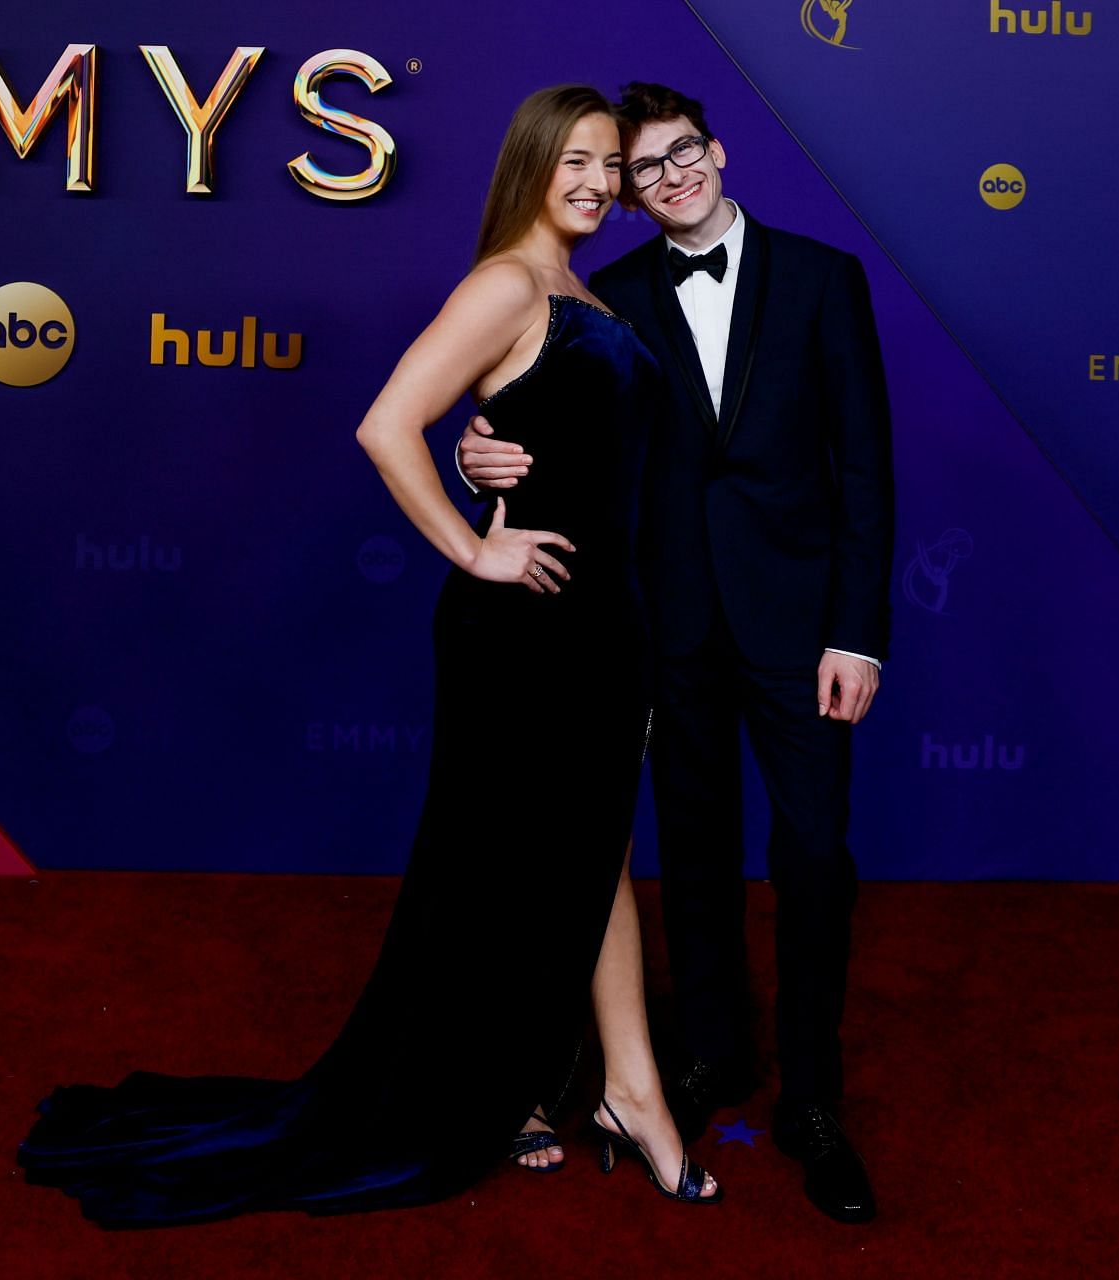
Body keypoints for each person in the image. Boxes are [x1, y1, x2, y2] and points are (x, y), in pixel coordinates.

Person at [15, 85, 720, 1227]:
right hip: (528, 623)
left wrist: (503, 457)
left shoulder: (583, 290)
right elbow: (388, 423)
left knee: (593, 849)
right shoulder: (505, 281)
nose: (597, 183)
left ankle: (618, 1088)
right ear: (534, 163)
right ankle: (562, 1090)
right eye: (577, 162)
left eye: (614, 168)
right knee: (506, 860)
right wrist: (469, 547)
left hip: (602, 624)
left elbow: (577, 447)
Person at [458, 81, 894, 1224]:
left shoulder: (823, 277)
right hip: (670, 623)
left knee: (810, 857)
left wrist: (857, 630)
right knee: (692, 856)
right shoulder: (610, 293)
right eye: (642, 170)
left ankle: (811, 1099)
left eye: (680, 153)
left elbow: (865, 471)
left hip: (805, 632)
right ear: (632, 193)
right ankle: (706, 1056)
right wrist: (476, 447)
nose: (666, 178)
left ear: (718, 149)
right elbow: (547, 414)